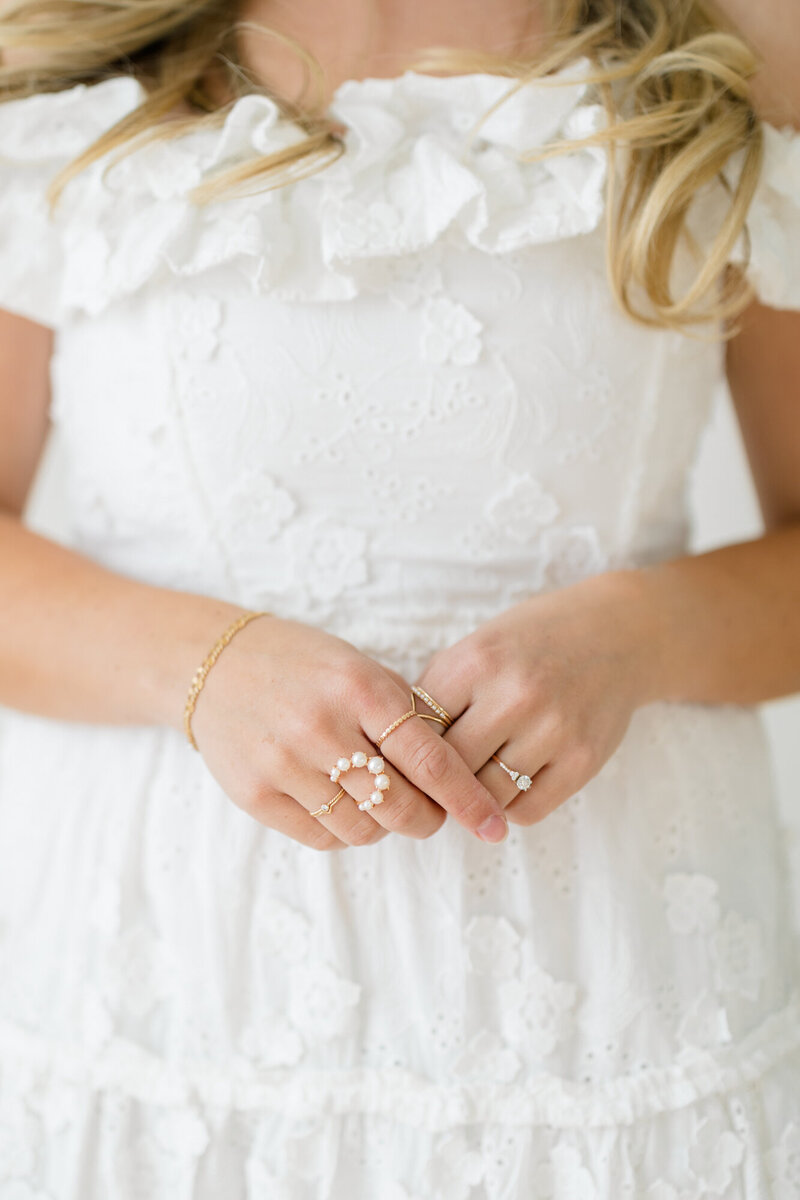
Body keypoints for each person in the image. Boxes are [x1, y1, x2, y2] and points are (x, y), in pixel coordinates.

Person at [0, 0, 799, 1194]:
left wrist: (639, 635)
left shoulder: (730, 65)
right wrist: (201, 666)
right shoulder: (63, 89)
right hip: (166, 1001)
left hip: (613, 1011)